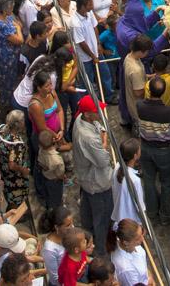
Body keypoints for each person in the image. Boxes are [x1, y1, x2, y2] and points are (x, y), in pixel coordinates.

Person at [72, 95, 114, 256]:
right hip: (98, 183)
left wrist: (101, 131)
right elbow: (103, 160)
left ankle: (87, 238)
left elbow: (97, 125)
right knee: (102, 218)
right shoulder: (89, 138)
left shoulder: (79, 120)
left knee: (87, 211)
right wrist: (104, 143)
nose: (100, 113)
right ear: (88, 114)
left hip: (86, 179)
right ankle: (101, 252)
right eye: (97, 111)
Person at [136, 75, 170, 226]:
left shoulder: (140, 106)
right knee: (167, 182)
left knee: (149, 179)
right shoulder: (168, 111)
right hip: (164, 150)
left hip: (146, 147)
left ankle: (152, 211)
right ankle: (165, 213)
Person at [0, 0, 24, 111]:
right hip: (7, 57)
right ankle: (6, 104)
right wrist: (18, 29)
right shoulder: (1, 24)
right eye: (11, 7)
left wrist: (17, 27)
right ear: (5, 9)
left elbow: (17, 23)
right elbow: (19, 40)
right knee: (7, 81)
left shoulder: (7, 17)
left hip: (13, 54)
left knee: (12, 78)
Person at [0, 110, 31, 210]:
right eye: (22, 120)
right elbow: (12, 165)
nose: (24, 121)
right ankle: (13, 212)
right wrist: (23, 170)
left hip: (2, 166)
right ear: (17, 124)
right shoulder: (16, 144)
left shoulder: (1, 129)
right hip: (13, 175)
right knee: (14, 195)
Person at [111, 138, 145, 228]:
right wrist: (142, 224)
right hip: (130, 219)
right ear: (135, 156)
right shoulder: (135, 180)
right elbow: (140, 206)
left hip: (119, 213)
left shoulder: (117, 166)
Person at [109, 219, 151, 286]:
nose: (142, 239)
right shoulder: (126, 269)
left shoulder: (125, 242)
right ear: (126, 243)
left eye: (141, 234)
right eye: (138, 238)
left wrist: (149, 276)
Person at [40, 206, 74, 286]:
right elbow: (56, 279)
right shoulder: (49, 250)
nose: (72, 227)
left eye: (72, 223)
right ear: (56, 227)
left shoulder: (68, 233)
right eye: (68, 225)